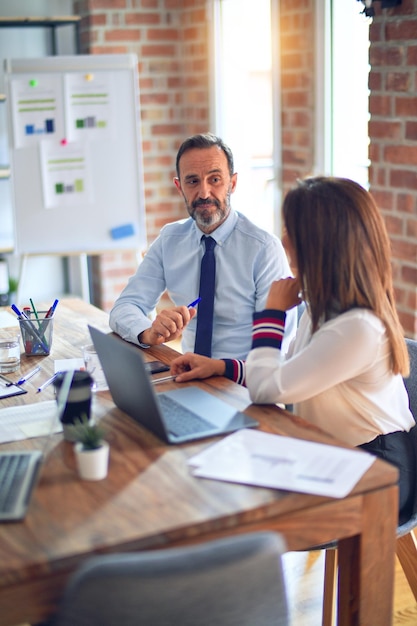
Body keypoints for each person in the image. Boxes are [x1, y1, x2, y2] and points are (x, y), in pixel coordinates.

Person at [171, 176, 415, 524]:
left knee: (231, 498)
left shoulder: (357, 327)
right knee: (212, 474)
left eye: (291, 231)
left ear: (320, 243)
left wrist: (271, 313)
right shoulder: (326, 305)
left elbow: (268, 389)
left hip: (376, 469)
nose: (283, 240)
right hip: (332, 449)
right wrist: (222, 367)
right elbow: (290, 372)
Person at [109, 133, 296, 360]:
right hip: (188, 373)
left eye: (215, 179)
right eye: (193, 181)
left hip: (245, 383)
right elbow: (125, 307)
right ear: (180, 187)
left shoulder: (264, 249)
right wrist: (147, 332)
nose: (204, 193)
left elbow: (277, 351)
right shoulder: (170, 240)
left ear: (232, 183)